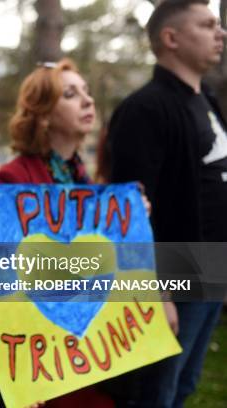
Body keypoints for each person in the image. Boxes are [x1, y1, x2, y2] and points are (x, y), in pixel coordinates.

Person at [108, 1, 226, 406]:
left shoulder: (204, 98)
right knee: (154, 395)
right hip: (175, 276)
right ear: (171, 38)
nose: (221, 33)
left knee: (184, 387)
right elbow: (127, 214)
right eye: (208, 25)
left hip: (211, 270)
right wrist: (157, 293)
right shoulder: (144, 110)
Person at [0, 58, 114, 408]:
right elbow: (3, 281)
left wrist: (126, 221)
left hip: (90, 348)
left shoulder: (82, 177)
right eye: (72, 94)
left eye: (87, 93)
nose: (88, 101)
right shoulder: (13, 178)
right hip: (44, 354)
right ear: (44, 114)